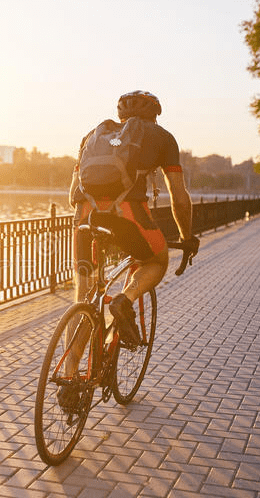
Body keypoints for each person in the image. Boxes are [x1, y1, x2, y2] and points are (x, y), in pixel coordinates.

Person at [68, 90, 198, 348]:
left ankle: (69, 378)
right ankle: (124, 300)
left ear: (120, 113)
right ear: (155, 115)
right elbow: (179, 199)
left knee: (83, 298)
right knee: (157, 261)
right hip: (127, 218)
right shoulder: (163, 138)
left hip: (86, 219)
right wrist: (186, 237)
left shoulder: (92, 136)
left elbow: (73, 192)